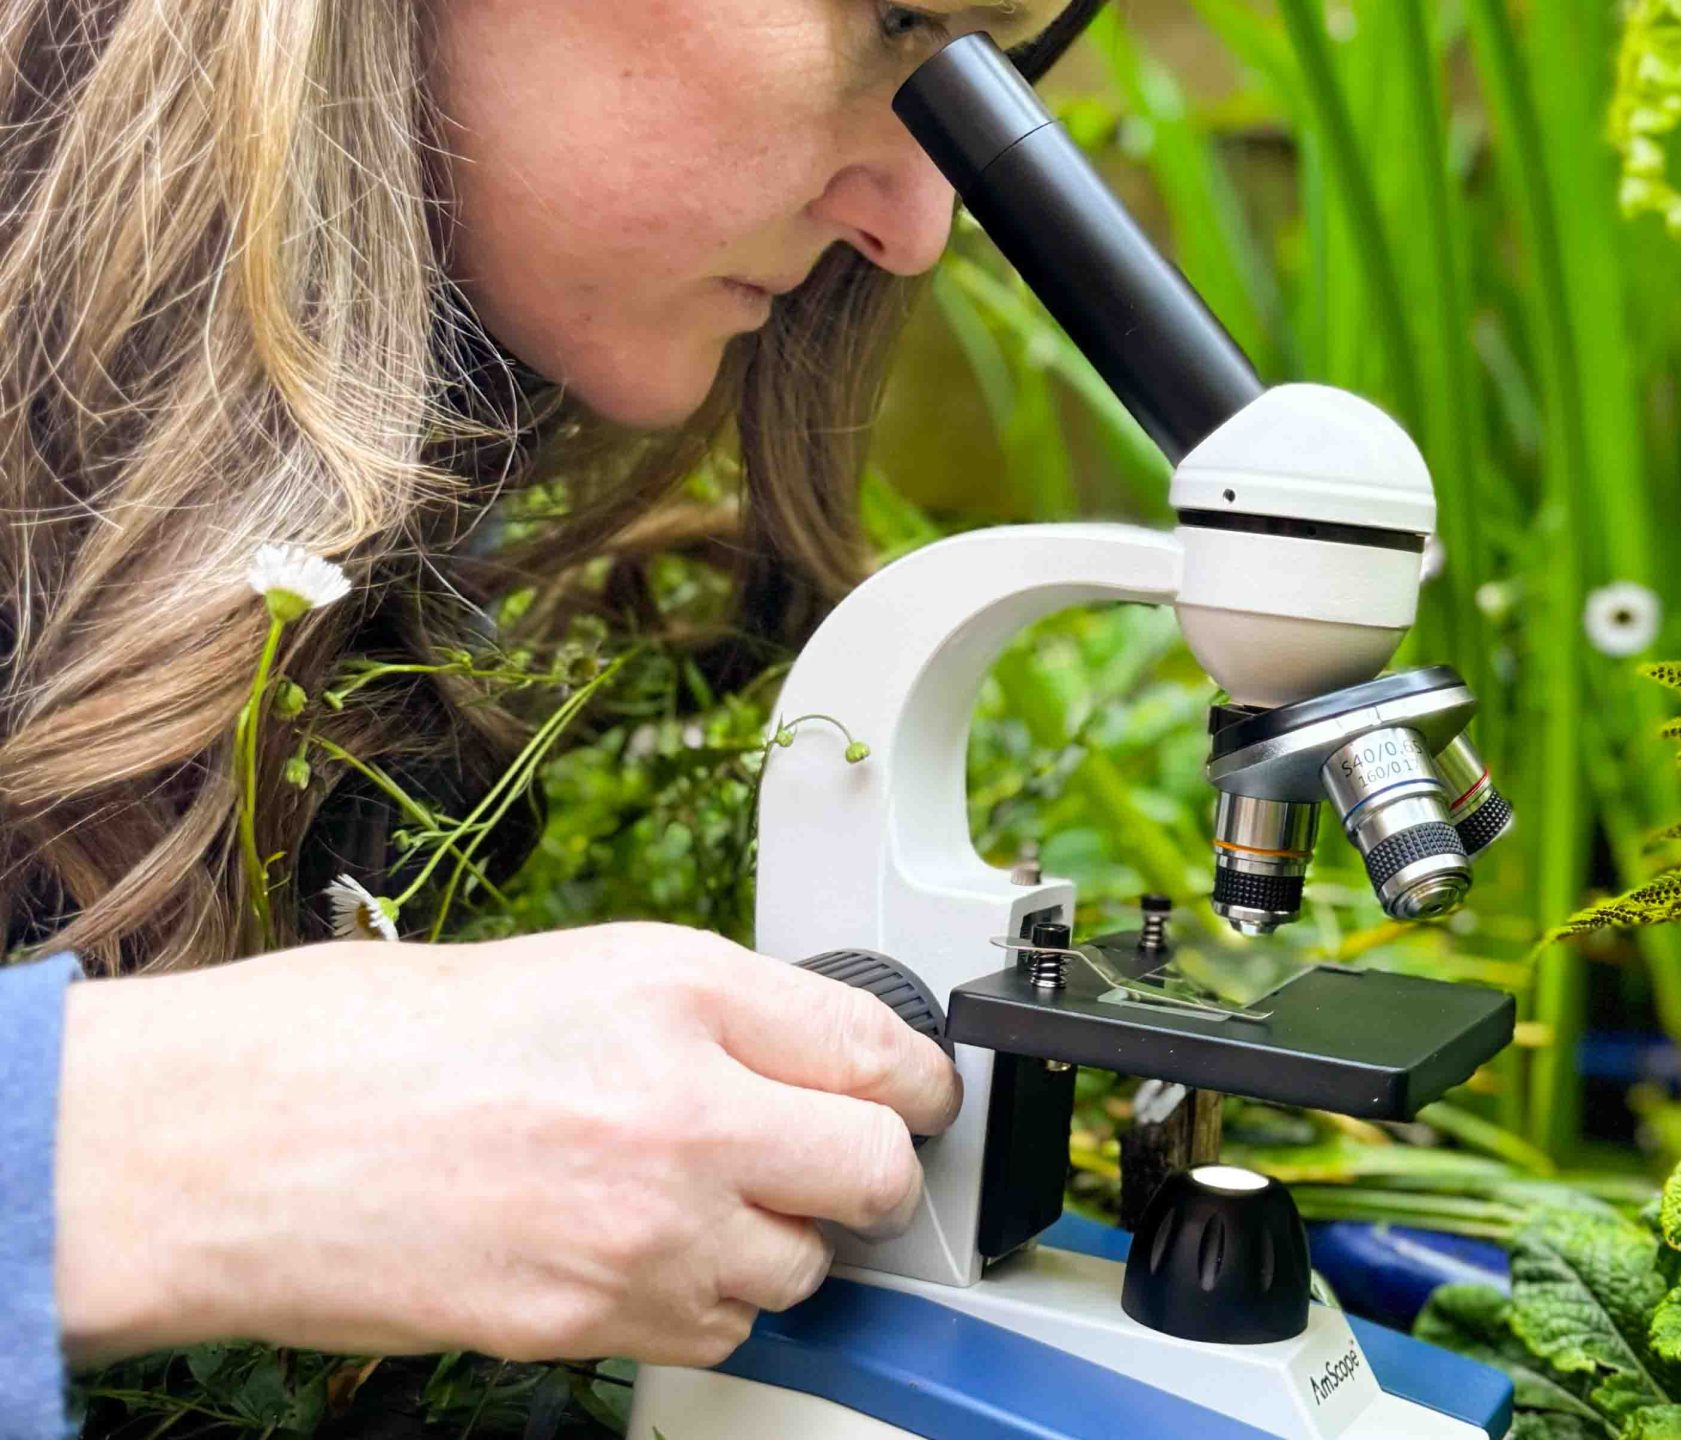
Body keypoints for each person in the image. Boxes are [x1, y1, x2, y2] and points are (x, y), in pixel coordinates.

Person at [0, 1, 1099, 1434]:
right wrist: (158, 1147)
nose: (918, 222)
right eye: (896, 21)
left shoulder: (423, 533)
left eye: (977, 79)